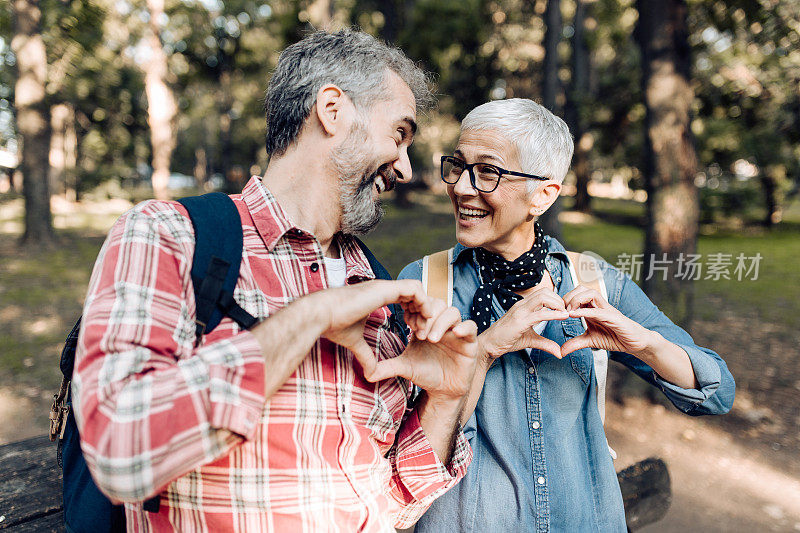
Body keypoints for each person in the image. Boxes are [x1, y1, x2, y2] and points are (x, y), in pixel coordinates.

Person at [73, 29, 480, 532]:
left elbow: (392, 506)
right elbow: (120, 451)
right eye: (399, 134)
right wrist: (312, 315)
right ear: (332, 110)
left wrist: (443, 398)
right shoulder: (170, 236)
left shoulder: (379, 287)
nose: (404, 166)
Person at [398, 98, 735, 532]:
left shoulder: (594, 281)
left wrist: (644, 344)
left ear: (543, 194)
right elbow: (408, 450)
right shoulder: (423, 287)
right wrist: (483, 351)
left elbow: (716, 389)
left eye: (487, 172)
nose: (462, 188)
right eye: (458, 166)